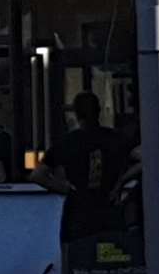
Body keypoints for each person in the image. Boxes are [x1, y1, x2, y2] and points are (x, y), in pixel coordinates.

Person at [32, 92, 128, 239]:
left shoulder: (68, 142)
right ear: (99, 111)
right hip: (109, 209)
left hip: (78, 212)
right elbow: (141, 159)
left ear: (76, 114)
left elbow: (38, 175)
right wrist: (120, 184)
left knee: (78, 256)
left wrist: (65, 188)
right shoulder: (115, 138)